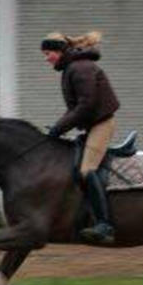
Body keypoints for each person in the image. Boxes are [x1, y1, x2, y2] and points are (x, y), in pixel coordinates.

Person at [41, 30, 119, 244]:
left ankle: (105, 225)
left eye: (48, 53)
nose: (46, 58)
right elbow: (75, 109)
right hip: (92, 126)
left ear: (59, 51)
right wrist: (58, 127)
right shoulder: (71, 68)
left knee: (87, 170)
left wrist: (60, 128)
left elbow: (86, 105)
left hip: (101, 124)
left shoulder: (79, 68)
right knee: (75, 168)